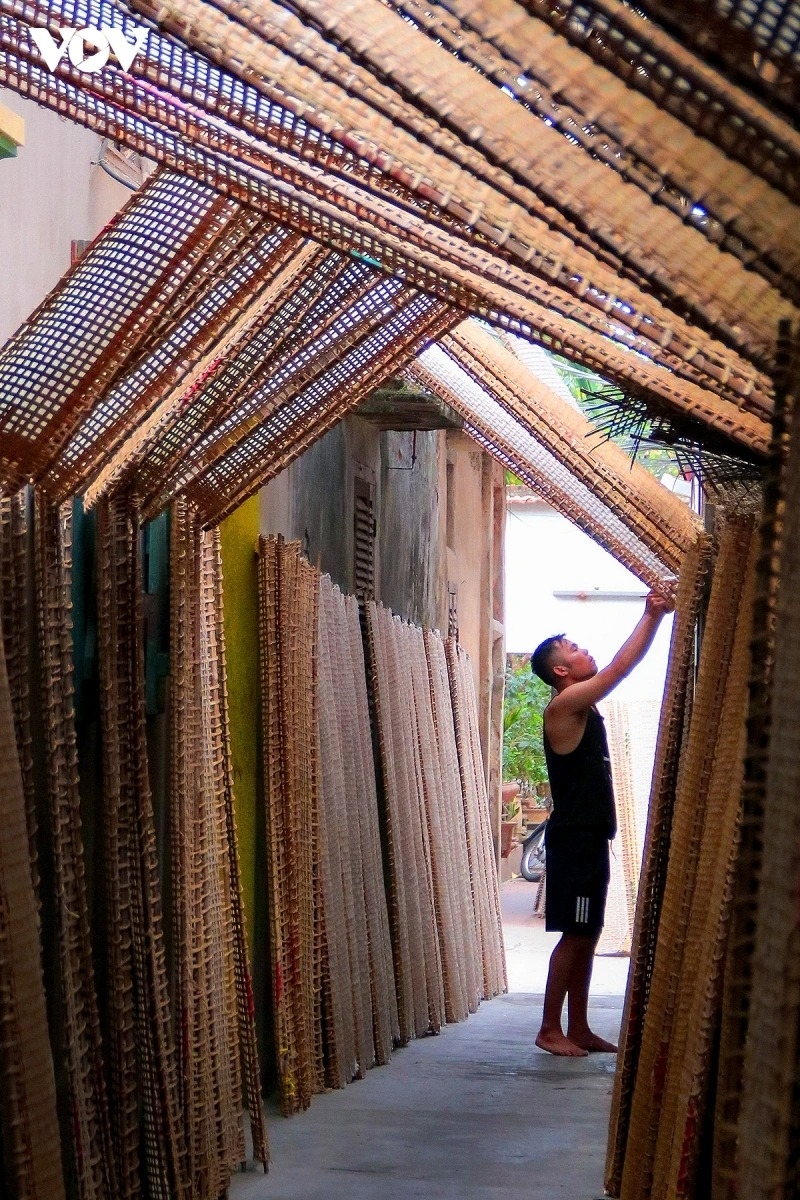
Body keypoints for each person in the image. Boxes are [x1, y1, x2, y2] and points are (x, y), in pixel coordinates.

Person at [529, 592, 673, 1056]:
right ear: (561, 672)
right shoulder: (564, 706)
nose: (583, 650)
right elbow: (618, 669)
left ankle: (580, 1027)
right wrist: (651, 615)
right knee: (576, 932)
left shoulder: (582, 708)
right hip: (575, 840)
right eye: (573, 649)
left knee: (587, 931)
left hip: (590, 837)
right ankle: (550, 1028)